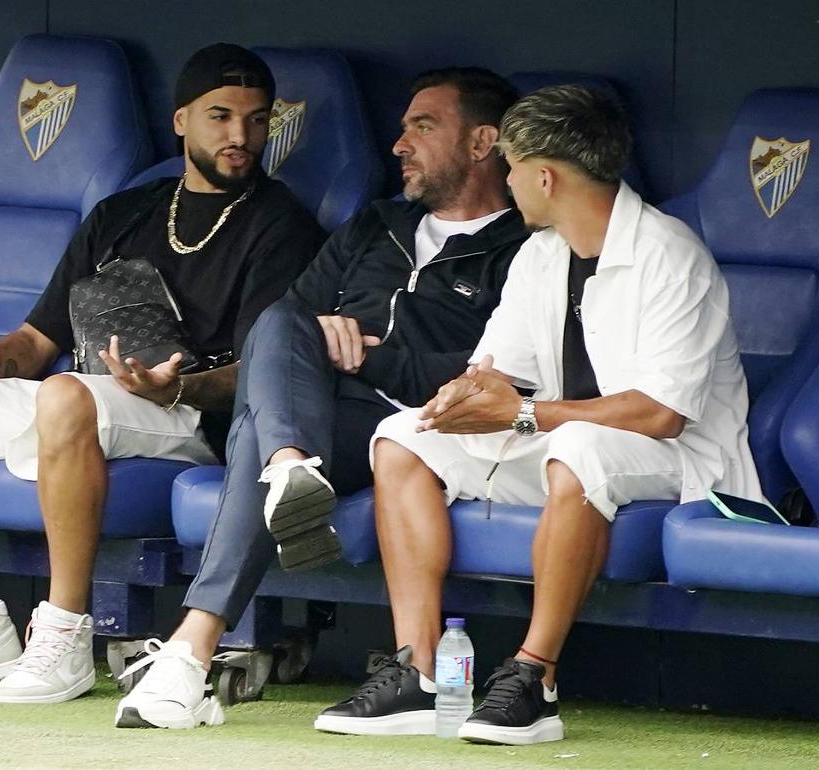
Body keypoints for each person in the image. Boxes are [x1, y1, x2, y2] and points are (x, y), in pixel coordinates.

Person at [0, 43, 323, 704]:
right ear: (181, 120)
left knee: (66, 397)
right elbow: (38, 341)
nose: (241, 136)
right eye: (221, 116)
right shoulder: (124, 213)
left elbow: (268, 370)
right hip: (88, 396)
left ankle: (64, 634)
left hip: (193, 412)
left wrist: (175, 386)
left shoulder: (281, 223)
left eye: (257, 120)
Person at [317, 85, 761, 743]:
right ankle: (419, 670)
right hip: (561, 441)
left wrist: (520, 412)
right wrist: (461, 400)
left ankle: (536, 677)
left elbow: (661, 415)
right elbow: (494, 368)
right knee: (402, 435)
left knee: (576, 447)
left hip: (679, 460)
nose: (508, 180)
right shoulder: (542, 254)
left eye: (514, 168)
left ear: (545, 177)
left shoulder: (671, 255)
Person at [114, 67, 530, 730]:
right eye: (401, 129)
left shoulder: (527, 247)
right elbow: (285, 327)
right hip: (328, 418)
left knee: (258, 430)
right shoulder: (376, 225)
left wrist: (370, 352)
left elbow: (497, 373)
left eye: (422, 127)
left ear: (482, 142)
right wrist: (317, 345)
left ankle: (191, 654)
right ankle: (288, 468)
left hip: (424, 430)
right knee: (279, 326)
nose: (400, 145)